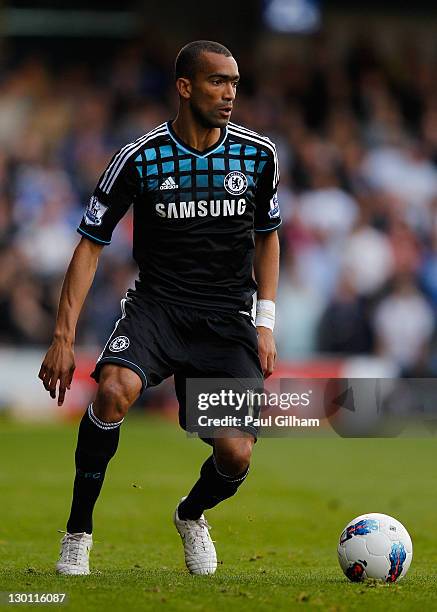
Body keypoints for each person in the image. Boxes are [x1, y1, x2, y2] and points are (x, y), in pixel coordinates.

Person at [38, 40, 281, 576]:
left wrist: (265, 321)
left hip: (226, 319)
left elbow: (268, 236)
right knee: (112, 391)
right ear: (185, 86)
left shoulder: (258, 155)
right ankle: (77, 533)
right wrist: (63, 335)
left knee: (236, 453)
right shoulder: (140, 157)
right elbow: (89, 243)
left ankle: (191, 515)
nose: (229, 94)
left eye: (235, 83)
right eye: (218, 81)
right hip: (158, 308)